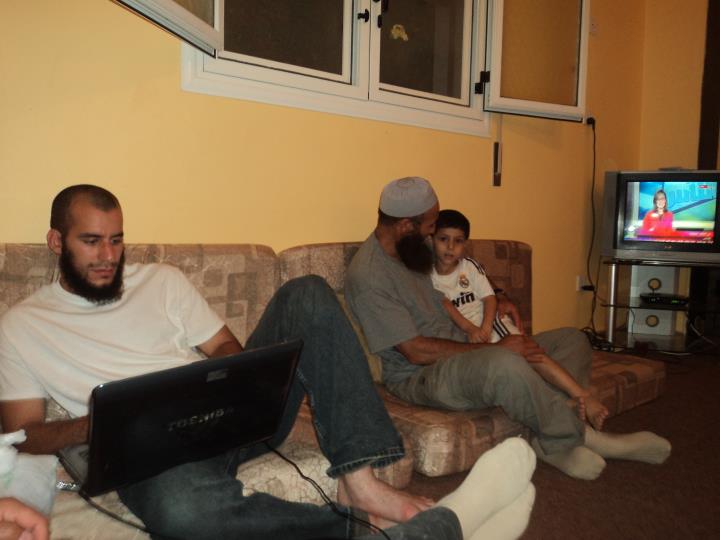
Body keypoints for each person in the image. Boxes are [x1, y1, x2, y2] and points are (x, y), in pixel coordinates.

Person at [0, 184, 538, 540]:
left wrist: (224, 386)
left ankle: (362, 481)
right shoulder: (22, 326)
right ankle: (386, 531)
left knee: (306, 293)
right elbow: (23, 437)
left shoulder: (161, 280)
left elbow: (228, 351)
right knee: (184, 513)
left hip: (231, 417)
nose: (108, 256)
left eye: (117, 240)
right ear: (56, 242)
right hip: (150, 459)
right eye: (92, 242)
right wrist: (98, 423)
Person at [345, 176, 672, 482]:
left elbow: (464, 271)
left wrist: (498, 297)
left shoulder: (411, 248)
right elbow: (415, 351)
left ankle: (549, 441)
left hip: (464, 344)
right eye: (431, 227)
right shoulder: (371, 276)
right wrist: (496, 348)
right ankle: (577, 436)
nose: (434, 236)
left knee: (571, 340)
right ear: (406, 225)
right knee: (504, 363)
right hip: (421, 375)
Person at [431, 209, 609, 430]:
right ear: (431, 239)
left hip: (491, 324)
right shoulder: (427, 275)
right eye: (443, 239)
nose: (450, 247)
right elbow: (446, 305)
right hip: (467, 337)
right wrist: (470, 329)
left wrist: (485, 327)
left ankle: (579, 396)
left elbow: (490, 298)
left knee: (534, 353)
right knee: (514, 365)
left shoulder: (470, 266)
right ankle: (563, 406)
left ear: (464, 244)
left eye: (457, 241)